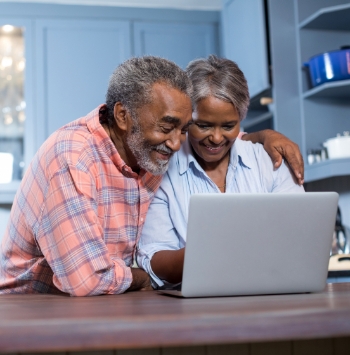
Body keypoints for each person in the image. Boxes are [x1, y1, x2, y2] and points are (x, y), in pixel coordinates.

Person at [0, 56, 303, 296]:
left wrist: (263, 135)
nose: (176, 143)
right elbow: (88, 279)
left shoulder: (146, 155)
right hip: (30, 308)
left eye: (183, 129)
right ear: (122, 116)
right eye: (167, 127)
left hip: (90, 305)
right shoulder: (73, 157)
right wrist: (142, 277)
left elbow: (221, 138)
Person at [136, 55, 305, 290]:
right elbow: (153, 257)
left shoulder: (271, 162)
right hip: (193, 305)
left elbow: (303, 239)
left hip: (272, 293)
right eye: (203, 125)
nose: (216, 138)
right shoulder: (161, 171)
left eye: (228, 126)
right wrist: (209, 253)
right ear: (186, 118)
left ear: (241, 120)